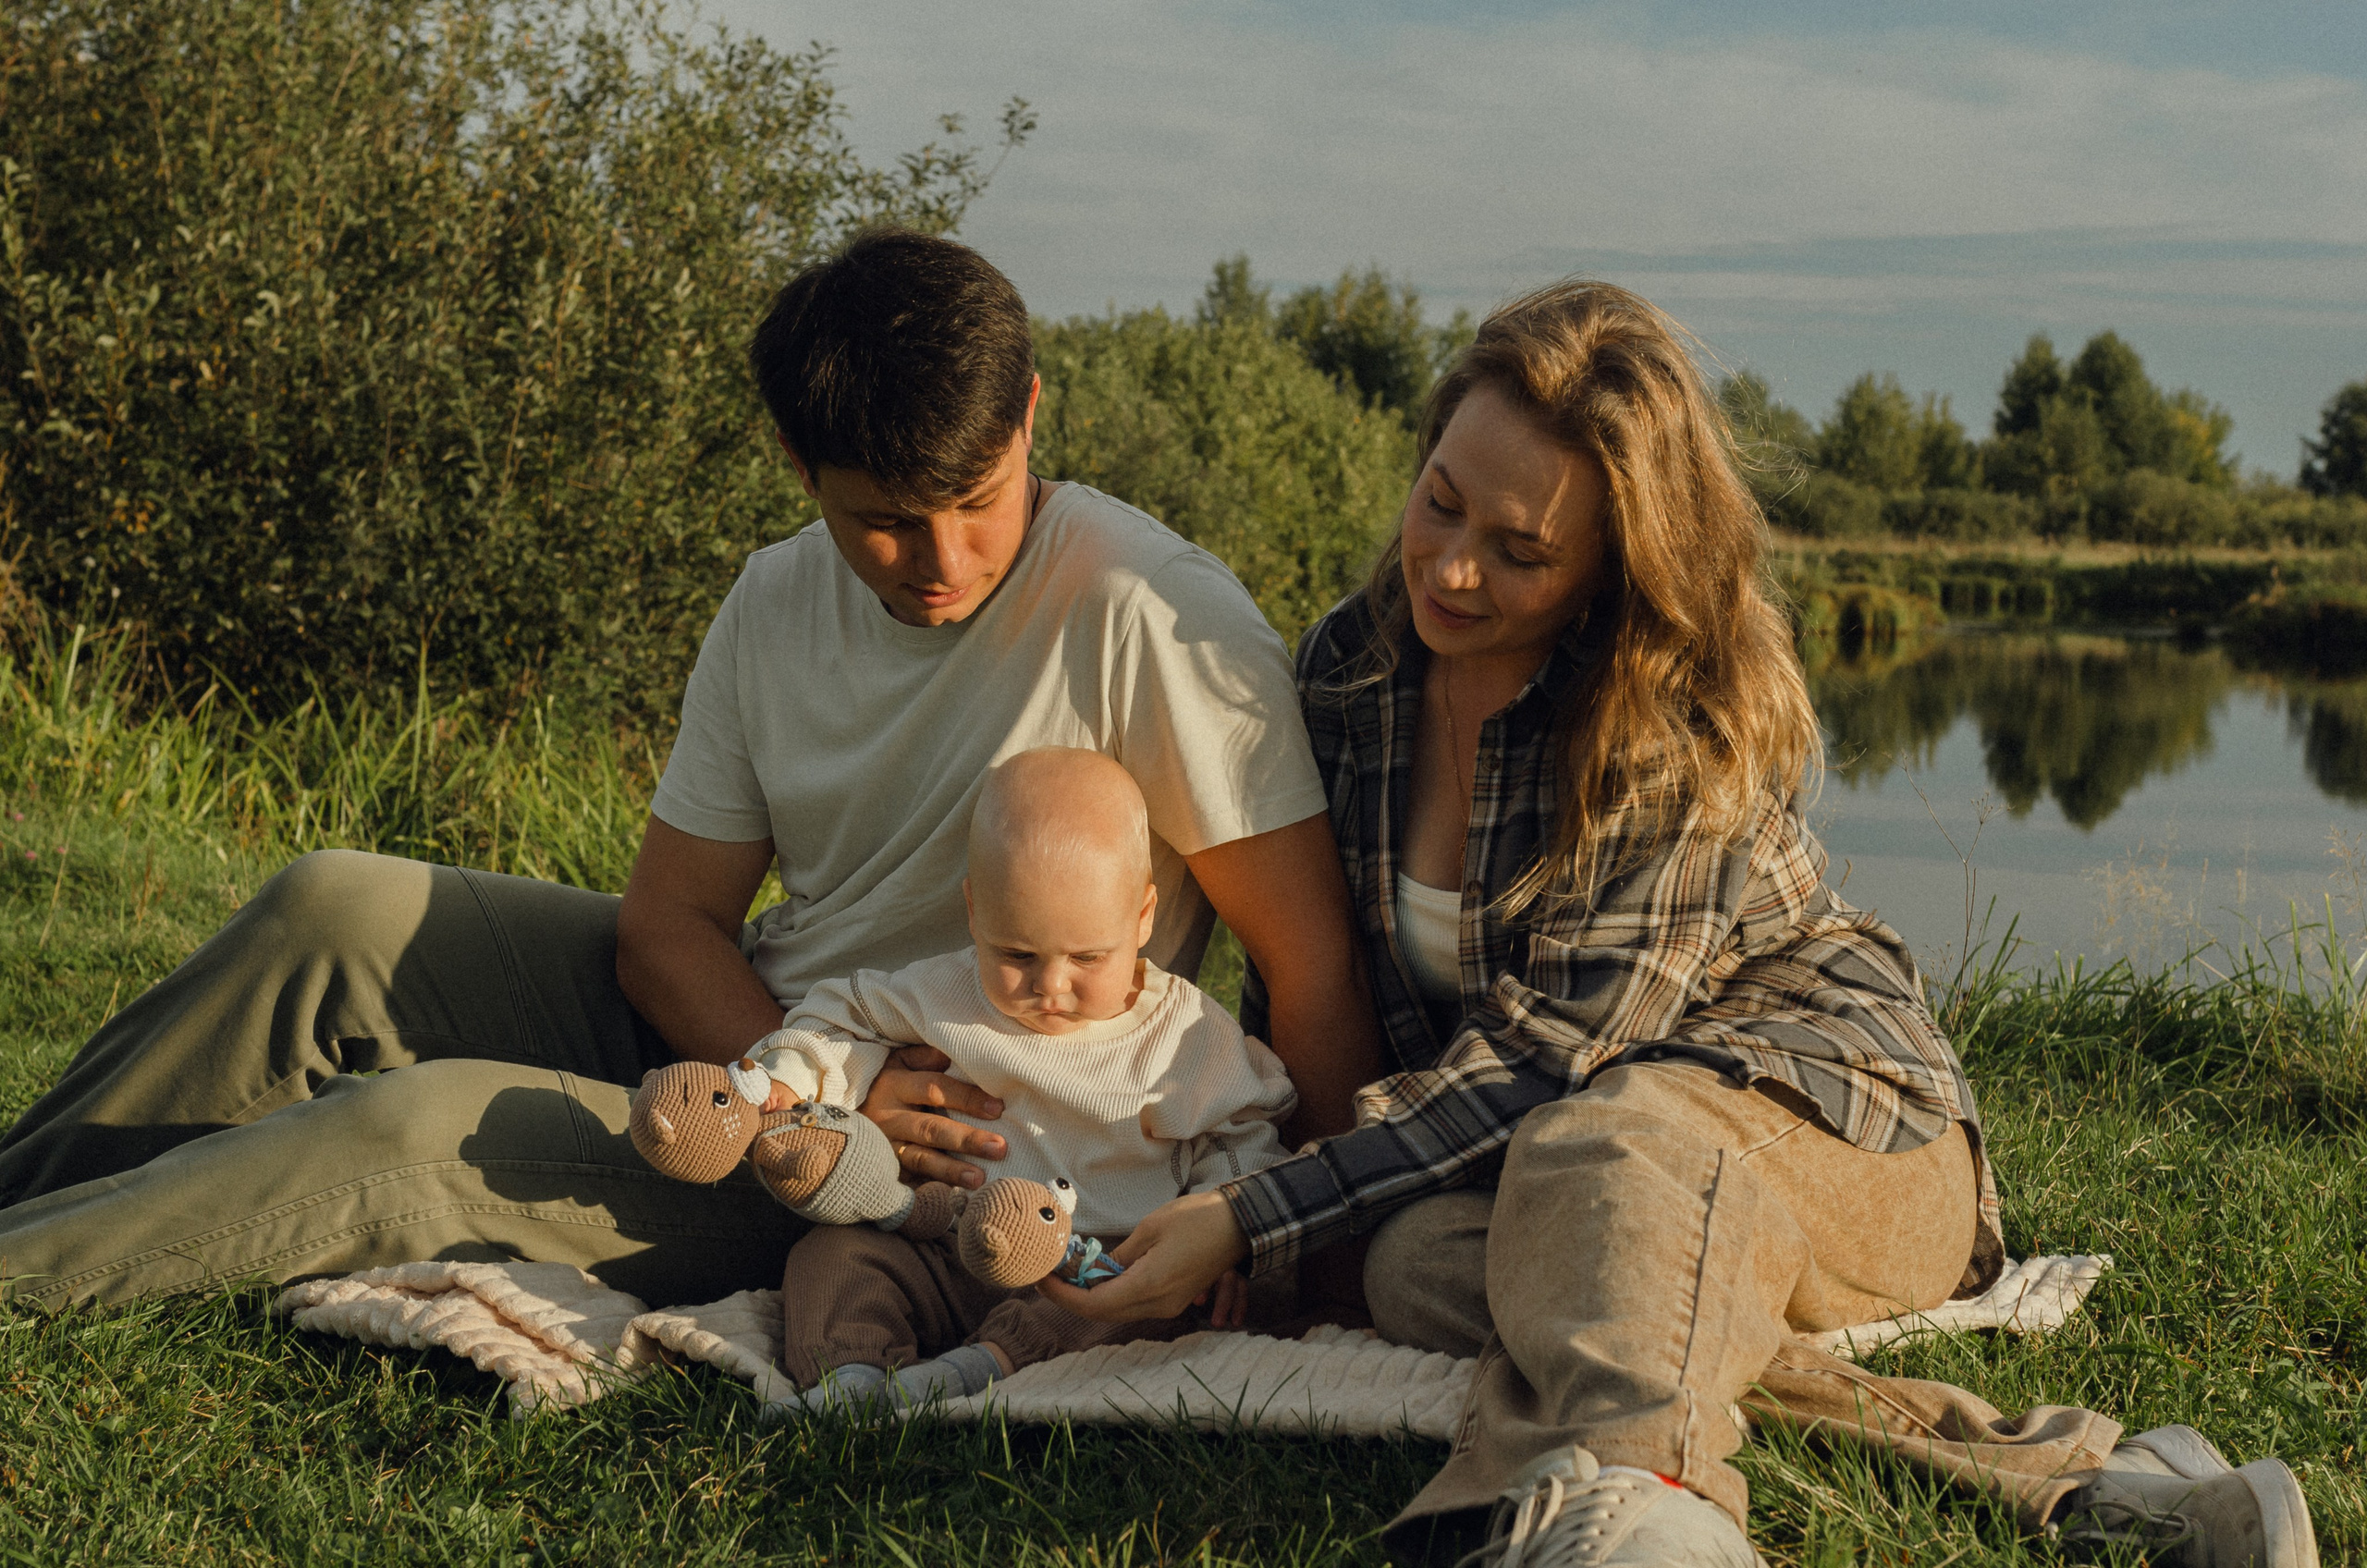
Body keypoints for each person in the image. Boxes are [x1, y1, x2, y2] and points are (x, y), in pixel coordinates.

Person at [1041, 280, 2318, 1568]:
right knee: (1427, 1267)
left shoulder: (1670, 730)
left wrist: (1255, 1214)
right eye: (1441, 501)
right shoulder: (1348, 670)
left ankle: (1638, 1512)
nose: (1454, 564)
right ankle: (2100, 1484)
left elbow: (1552, 1063)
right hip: (1556, 1171)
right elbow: (1302, 960)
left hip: (1846, 1137)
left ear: (1614, 570)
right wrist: (1248, 1205)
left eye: (1523, 550)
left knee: (1619, 1141)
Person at [0, 229, 1383, 1315]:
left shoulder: (1158, 613)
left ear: (1030, 413)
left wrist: (1306, 1271)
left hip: (936, 1174)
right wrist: (800, 1081)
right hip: (772, 1060)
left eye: (979, 500)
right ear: (797, 465)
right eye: (884, 524)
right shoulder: (775, 600)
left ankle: (27, 1282)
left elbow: (1310, 970)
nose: (944, 561)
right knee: (332, 907)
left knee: (422, 1132)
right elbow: (670, 926)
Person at [761, 746, 1294, 1414]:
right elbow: (844, 1016)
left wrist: (1225, 1237)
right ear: (975, 912)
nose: (1050, 987)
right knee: (833, 1257)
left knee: (1139, 1305)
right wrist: (790, 1075)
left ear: (1143, 917)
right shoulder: (946, 992)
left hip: (1090, 1263)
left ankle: (978, 1372)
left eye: (1087, 957)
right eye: (1017, 954)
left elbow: (1242, 1137)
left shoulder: (1184, 1037)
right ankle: (850, 1379)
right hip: (947, 1246)